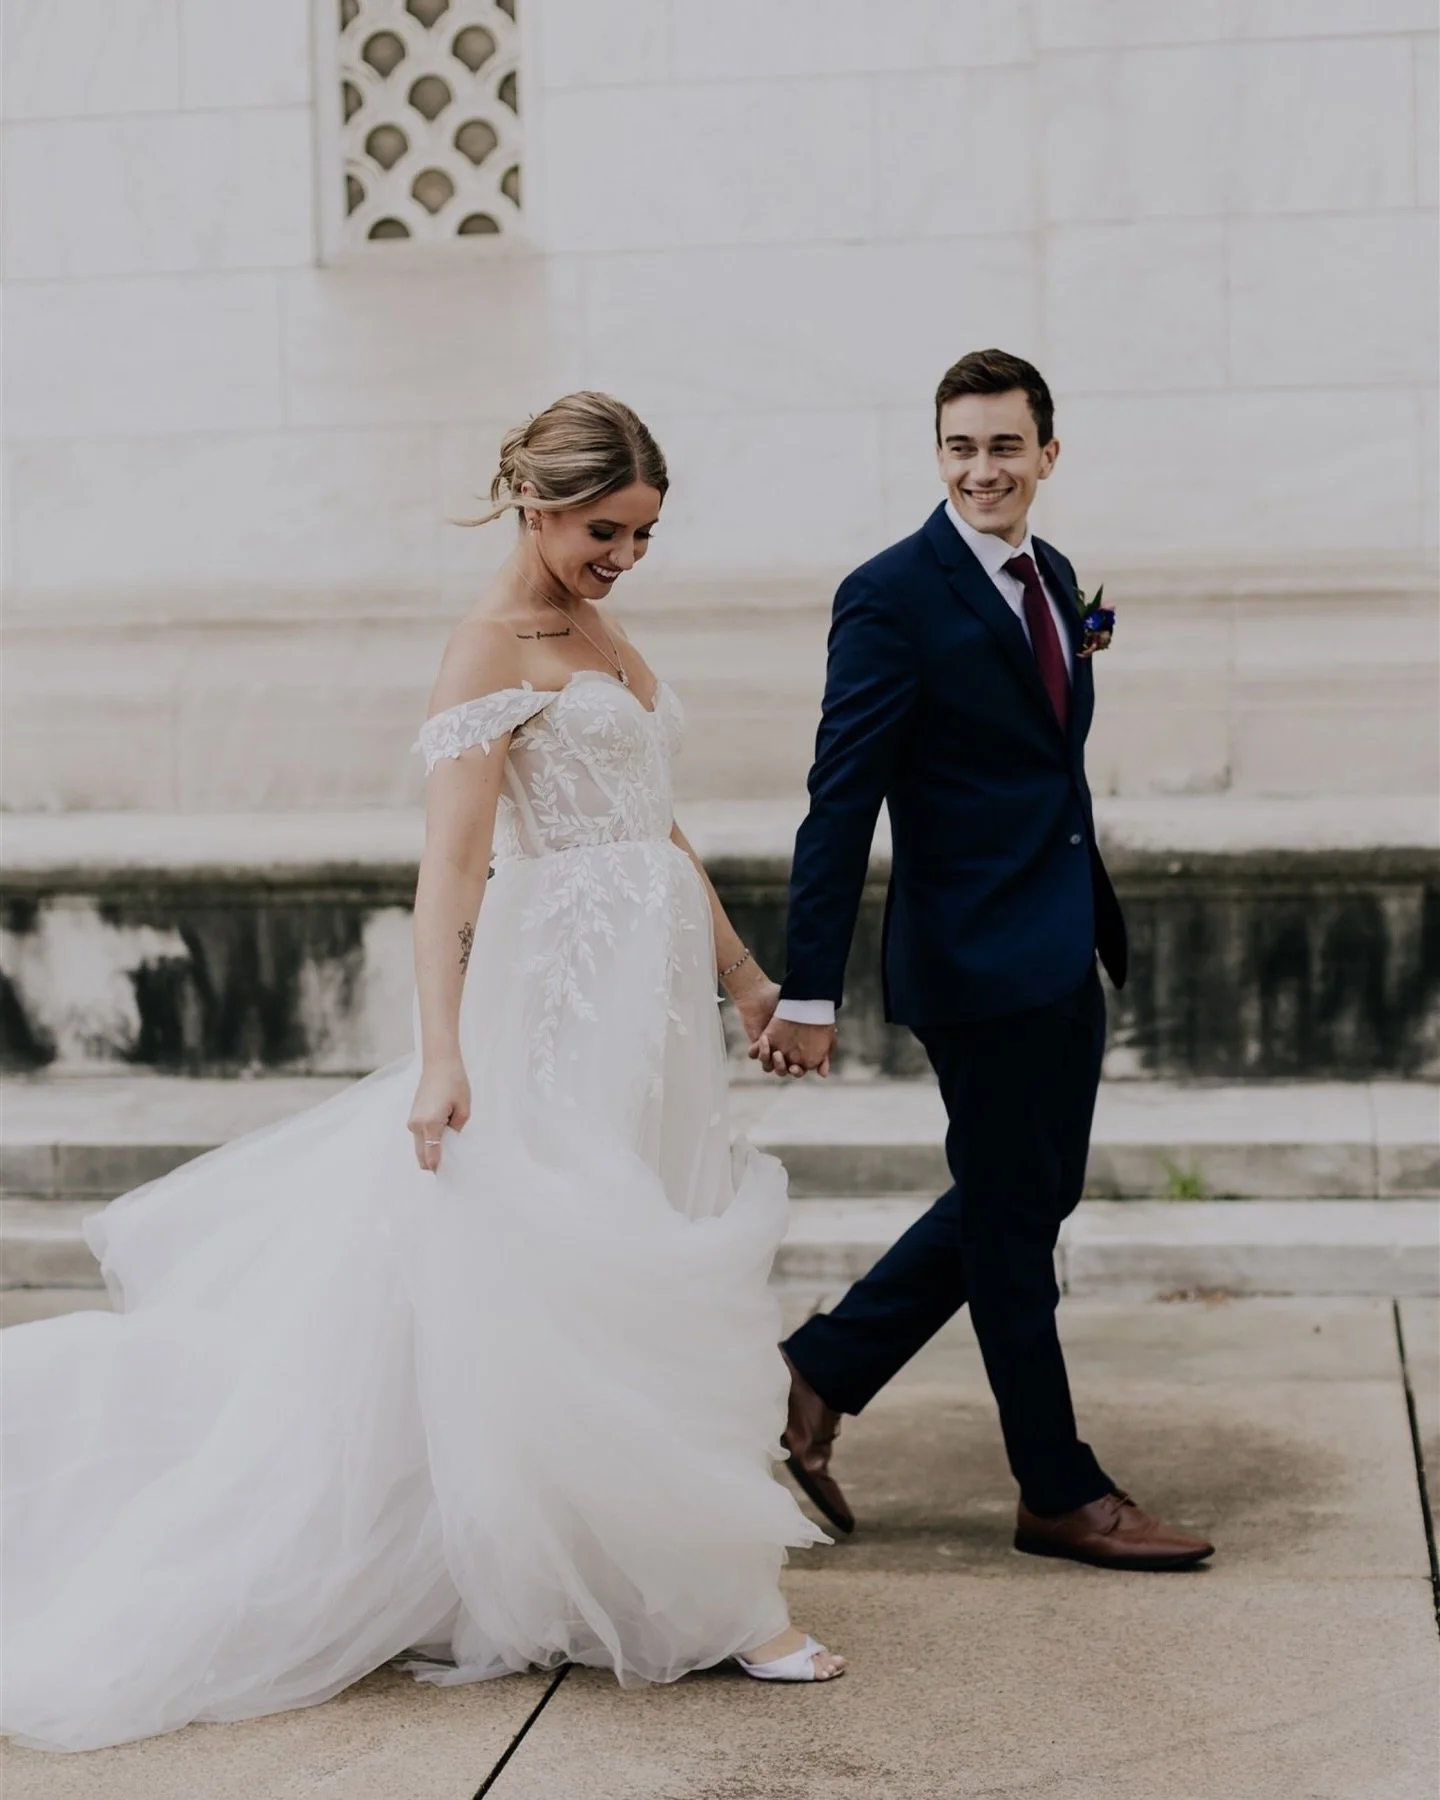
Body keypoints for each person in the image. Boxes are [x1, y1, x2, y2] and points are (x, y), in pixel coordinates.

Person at [1, 392, 844, 1756]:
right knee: (590, 1262)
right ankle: (709, 1597)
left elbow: (655, 825)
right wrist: (444, 1055)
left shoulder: (607, 633)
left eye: (642, 533)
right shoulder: (486, 649)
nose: (624, 555)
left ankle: (594, 1549)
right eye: (602, 530)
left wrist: (744, 975)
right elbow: (451, 868)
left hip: (651, 1006)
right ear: (537, 502)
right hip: (556, 997)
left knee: (630, 1246)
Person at [758, 350, 1214, 1573]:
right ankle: (1057, 1490)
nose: (981, 470)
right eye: (959, 447)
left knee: (1021, 1199)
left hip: (1065, 944)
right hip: (973, 960)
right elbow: (838, 802)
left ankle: (819, 1372)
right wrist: (809, 988)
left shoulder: (1050, 574)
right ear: (938, 455)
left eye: (1004, 446)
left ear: (1046, 455)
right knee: (1016, 1228)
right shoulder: (890, 596)